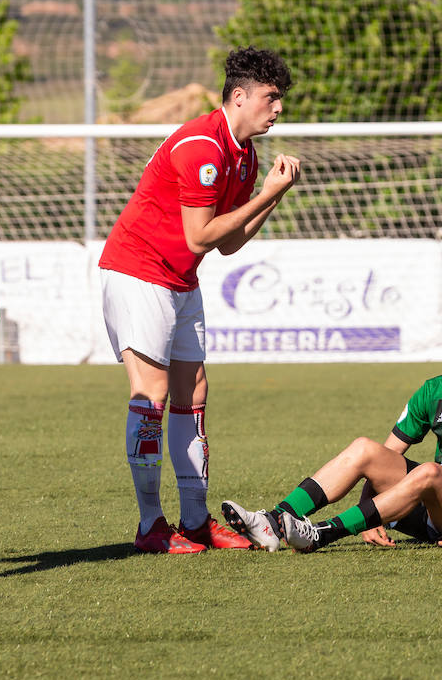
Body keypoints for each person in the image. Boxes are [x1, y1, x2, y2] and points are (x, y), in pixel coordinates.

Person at [99, 47, 300, 554]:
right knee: (153, 393)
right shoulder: (202, 147)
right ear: (239, 96)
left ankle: (194, 519)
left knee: (194, 391)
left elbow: (227, 243)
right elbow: (198, 235)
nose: (278, 109)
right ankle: (150, 525)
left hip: (181, 279)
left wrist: (272, 193)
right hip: (138, 271)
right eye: (271, 98)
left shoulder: (245, 155)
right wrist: (266, 193)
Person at [221, 304, 442, 553]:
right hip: (430, 511)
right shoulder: (434, 391)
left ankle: (320, 534)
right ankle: (275, 520)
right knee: (365, 448)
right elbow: (386, 456)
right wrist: (370, 518)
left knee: (429, 472)